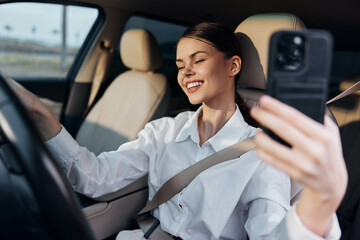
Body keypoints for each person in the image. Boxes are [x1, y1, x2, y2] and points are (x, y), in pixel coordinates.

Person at [10, 22, 347, 240]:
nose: (186, 72)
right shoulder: (163, 131)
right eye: (180, 64)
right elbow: (94, 177)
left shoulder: (262, 153)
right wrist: (38, 114)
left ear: (233, 66)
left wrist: (320, 203)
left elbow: (271, 234)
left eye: (198, 60)